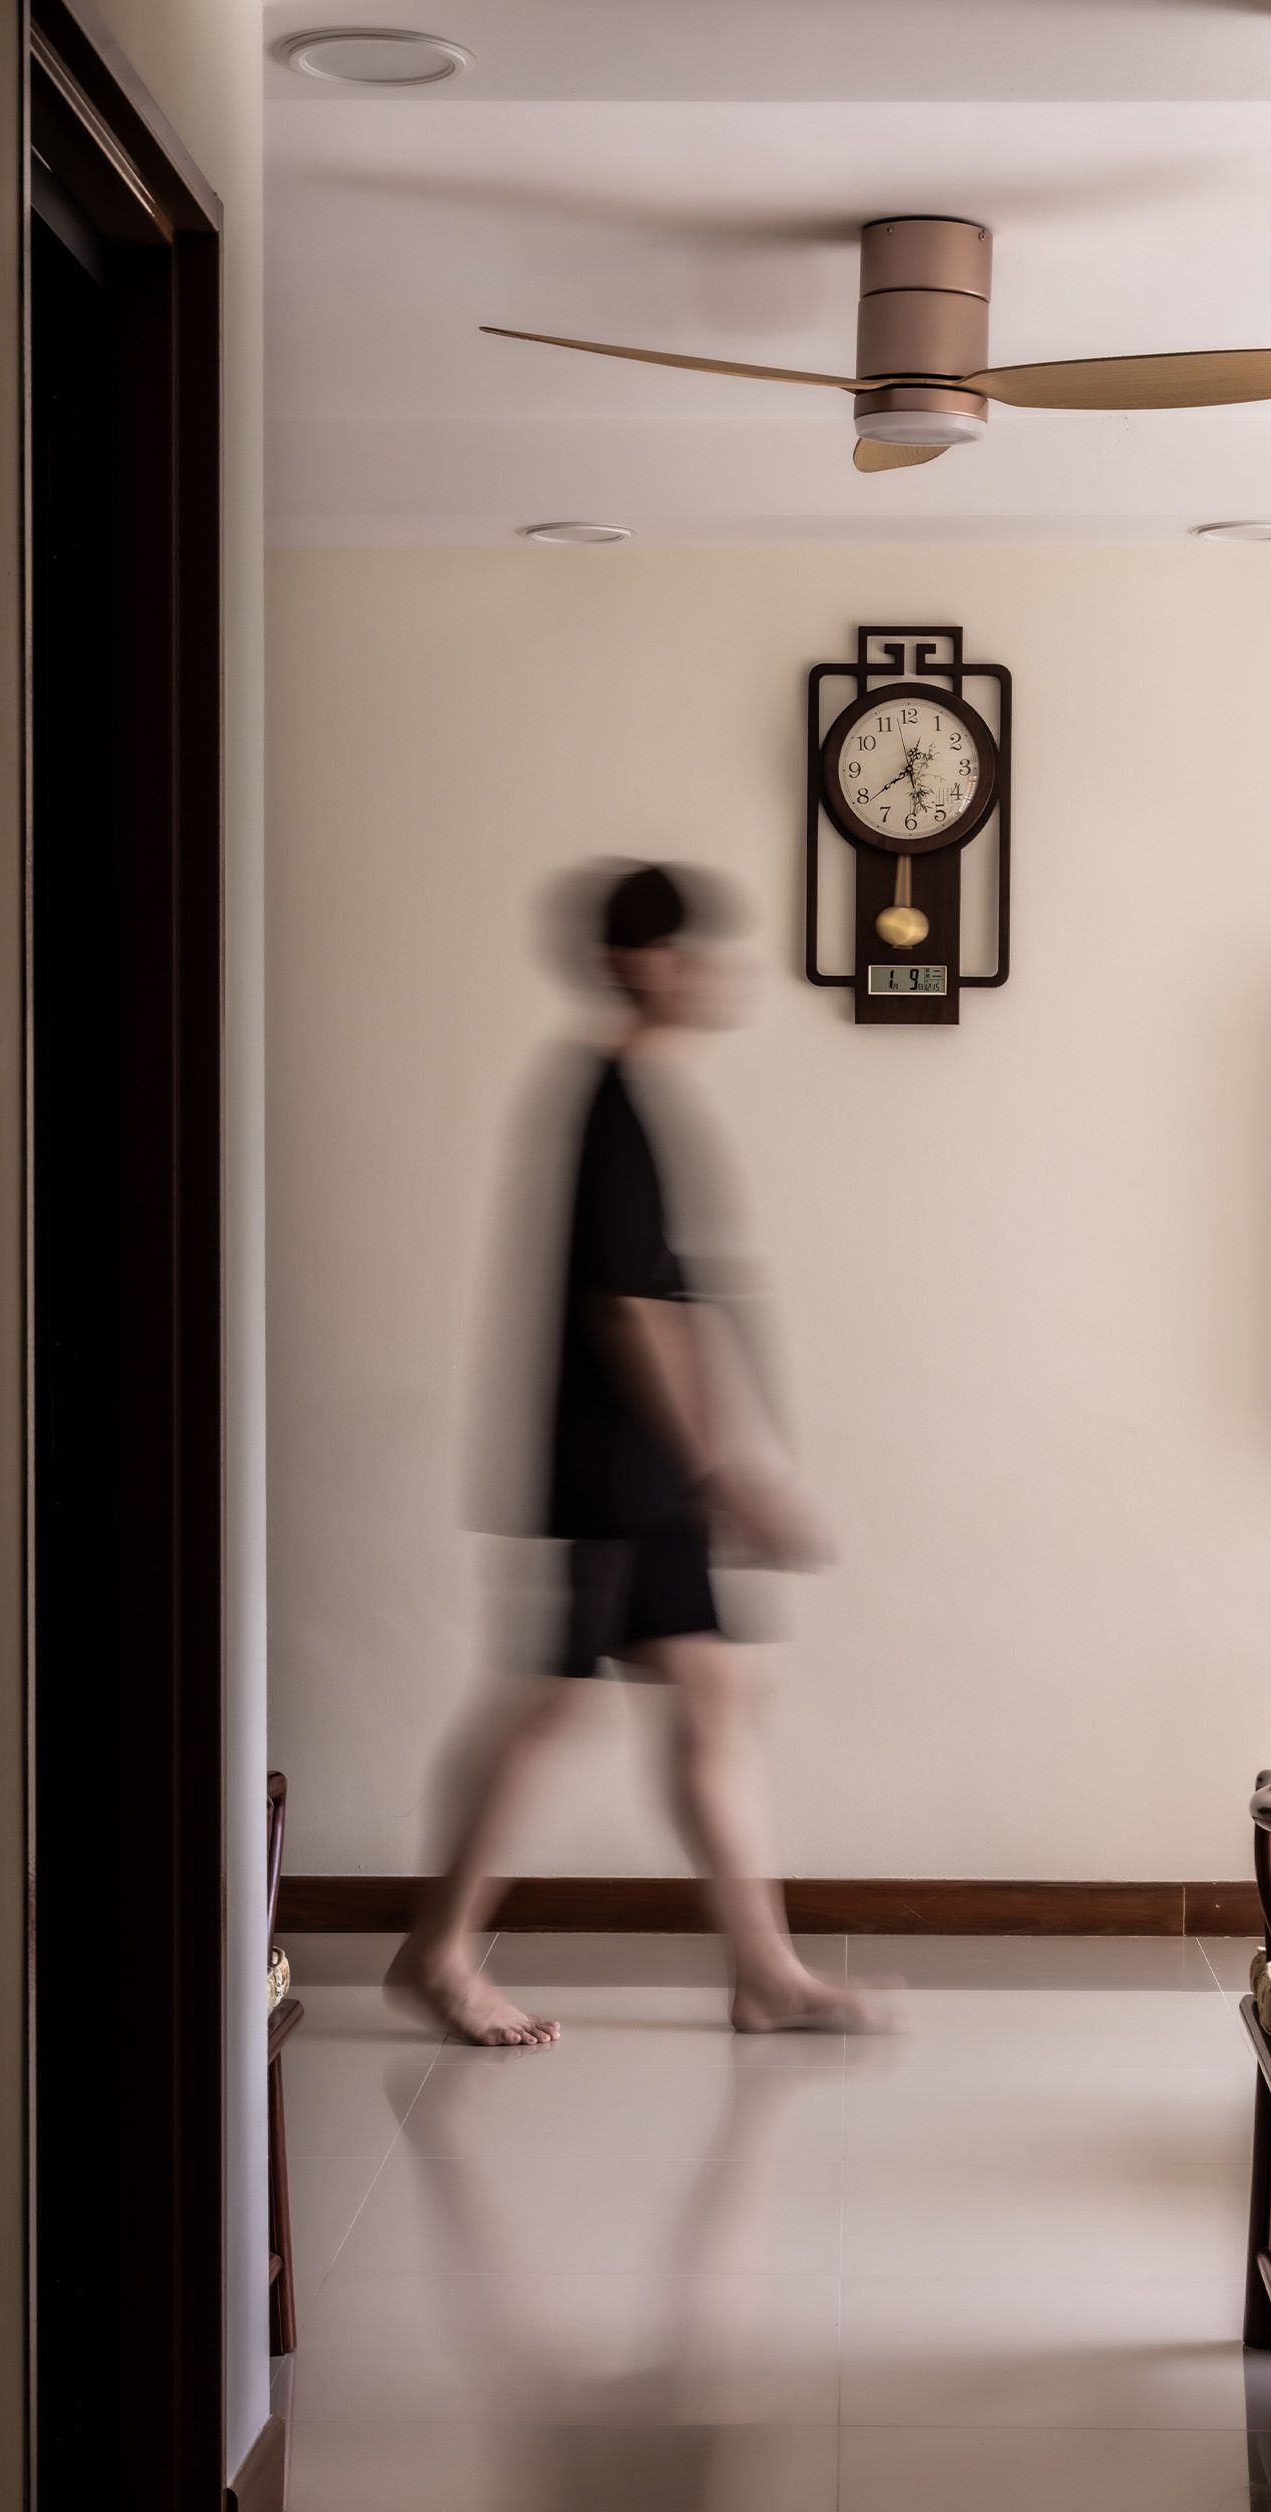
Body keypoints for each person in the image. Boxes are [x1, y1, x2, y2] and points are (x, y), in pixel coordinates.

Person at [387, 862, 884, 2047]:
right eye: (691, 950)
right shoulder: (607, 1099)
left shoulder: (638, 1097)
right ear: (640, 962)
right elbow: (630, 1308)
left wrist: (727, 1454)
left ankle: (764, 1969)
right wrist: (729, 1469)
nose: (713, 972)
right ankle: (439, 1950)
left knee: (713, 1694)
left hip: (655, 1472)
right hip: (623, 1471)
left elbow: (677, 1299)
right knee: (554, 1704)